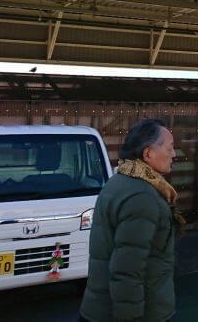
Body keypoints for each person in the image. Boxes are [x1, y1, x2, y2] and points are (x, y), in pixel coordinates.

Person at [80, 118, 184, 322]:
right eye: (170, 148)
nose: (174, 154)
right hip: (138, 313)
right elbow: (127, 270)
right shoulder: (142, 196)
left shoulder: (120, 180)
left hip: (99, 308)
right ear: (148, 153)